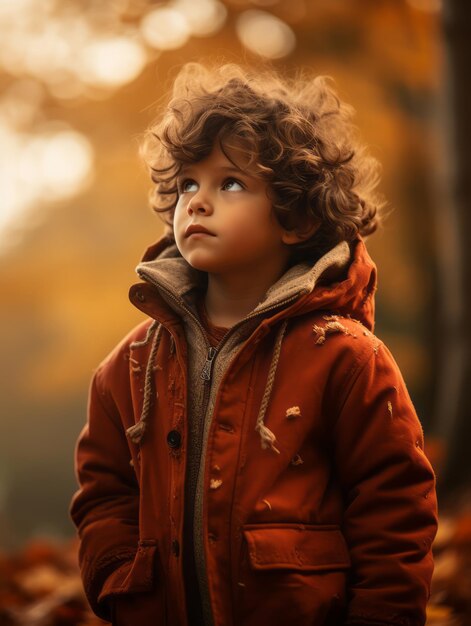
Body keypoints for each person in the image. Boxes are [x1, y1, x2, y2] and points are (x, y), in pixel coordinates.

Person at [70, 63, 438, 626]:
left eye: (231, 183)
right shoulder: (130, 364)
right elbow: (105, 490)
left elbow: (395, 509)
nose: (197, 200)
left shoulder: (347, 359)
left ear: (294, 217)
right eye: (188, 183)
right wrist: (121, 582)